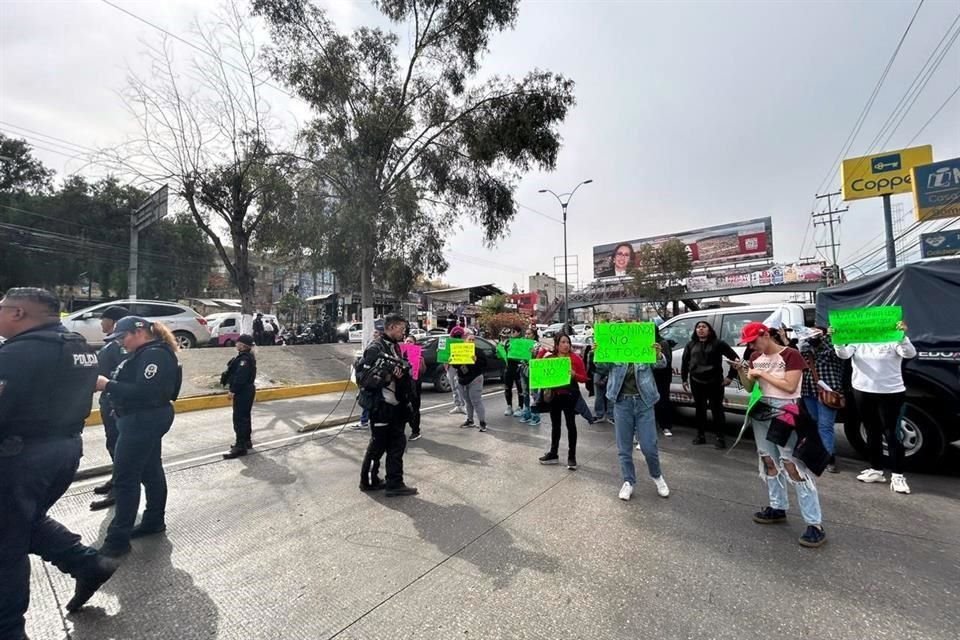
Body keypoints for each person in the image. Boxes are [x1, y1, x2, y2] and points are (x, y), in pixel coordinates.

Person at [0, 288, 119, 634]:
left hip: (21, 457)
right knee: (22, 520)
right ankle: (87, 564)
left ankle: (8, 628)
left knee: (6, 543)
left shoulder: (17, 353)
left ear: (18, 313)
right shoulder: (79, 346)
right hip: (64, 451)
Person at [95, 316, 182, 557]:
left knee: (125, 478)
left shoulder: (155, 355)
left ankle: (117, 539)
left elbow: (146, 391)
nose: (121, 343)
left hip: (143, 420)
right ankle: (154, 521)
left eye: (123, 337)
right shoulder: (146, 352)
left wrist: (107, 385)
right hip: (139, 418)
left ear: (140, 331)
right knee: (150, 470)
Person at [737, 321, 826, 549]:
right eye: (749, 344)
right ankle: (777, 506)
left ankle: (814, 523)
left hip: (787, 409)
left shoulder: (791, 355)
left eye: (754, 341)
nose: (753, 346)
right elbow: (749, 387)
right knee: (768, 459)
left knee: (792, 463)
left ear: (765, 334)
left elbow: (789, 386)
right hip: (763, 408)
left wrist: (763, 375)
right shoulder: (756, 358)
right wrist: (741, 370)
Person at [834, 319, 916, 494]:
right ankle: (876, 469)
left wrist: (902, 336)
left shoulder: (893, 339)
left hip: (891, 393)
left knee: (891, 433)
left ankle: (898, 475)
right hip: (863, 391)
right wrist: (838, 340)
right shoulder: (858, 340)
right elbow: (843, 355)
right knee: (872, 431)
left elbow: (909, 353)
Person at [601, 341, 670, 500]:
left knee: (649, 446)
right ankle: (628, 481)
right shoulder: (615, 351)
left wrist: (657, 353)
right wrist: (597, 353)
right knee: (624, 447)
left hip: (644, 402)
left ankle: (657, 476)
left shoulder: (643, 348)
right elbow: (601, 367)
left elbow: (661, 364)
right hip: (622, 403)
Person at [356, 315, 417, 496]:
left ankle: (393, 483)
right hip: (381, 407)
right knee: (378, 446)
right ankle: (368, 481)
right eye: (401, 328)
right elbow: (363, 379)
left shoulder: (395, 347)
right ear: (390, 327)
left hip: (396, 406)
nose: (403, 332)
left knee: (396, 445)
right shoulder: (375, 348)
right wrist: (387, 376)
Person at [89, 304, 130, 511]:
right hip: (108, 400)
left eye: (103, 319)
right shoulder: (112, 343)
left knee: (118, 446)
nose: (100, 323)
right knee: (112, 443)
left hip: (116, 402)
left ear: (113, 322)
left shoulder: (120, 345)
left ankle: (119, 490)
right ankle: (116, 479)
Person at [681, 320, 739, 449]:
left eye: (704, 327)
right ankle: (700, 435)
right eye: (698, 327)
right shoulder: (690, 345)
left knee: (716, 410)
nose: (701, 329)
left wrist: (730, 377)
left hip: (715, 382)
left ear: (709, 329)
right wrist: (684, 379)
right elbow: (685, 363)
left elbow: (735, 359)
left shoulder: (718, 344)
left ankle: (720, 437)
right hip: (696, 382)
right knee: (699, 410)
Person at [538, 333, 588, 470]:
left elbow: (584, 378)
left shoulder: (575, 359)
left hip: (570, 396)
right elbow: (538, 368)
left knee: (571, 425)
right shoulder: (551, 357)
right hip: (554, 396)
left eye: (568, 342)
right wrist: (543, 350)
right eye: (563, 342)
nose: (566, 345)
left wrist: (574, 375)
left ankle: (572, 457)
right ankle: (553, 453)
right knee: (555, 425)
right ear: (557, 344)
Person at [800, 330, 844, 473]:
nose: (812, 336)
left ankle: (828, 458)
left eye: (816, 333)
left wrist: (821, 341)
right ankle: (818, 454)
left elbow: (836, 354)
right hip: (808, 390)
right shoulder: (806, 347)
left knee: (825, 426)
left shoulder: (834, 345)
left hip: (828, 391)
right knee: (814, 424)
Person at [220, 334, 257, 459]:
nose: (236, 344)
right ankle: (246, 441)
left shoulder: (244, 360)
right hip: (247, 390)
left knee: (239, 418)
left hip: (243, 391)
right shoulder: (246, 357)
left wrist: (233, 391)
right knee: (245, 417)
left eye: (238, 343)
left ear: (242, 345)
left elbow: (240, 377)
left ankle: (240, 446)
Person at [457, 329, 488, 431]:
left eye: (473, 340)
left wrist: (476, 360)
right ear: (464, 341)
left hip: (475, 378)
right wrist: (451, 360)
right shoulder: (459, 350)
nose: (471, 342)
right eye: (469, 340)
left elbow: (485, 364)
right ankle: (470, 420)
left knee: (476, 401)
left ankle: (482, 422)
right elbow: (456, 365)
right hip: (462, 379)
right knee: (467, 401)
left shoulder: (478, 351)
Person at [653, 325, 674, 438]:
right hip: (649, 378)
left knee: (663, 402)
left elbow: (667, 362)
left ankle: (665, 426)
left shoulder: (663, 343)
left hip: (662, 378)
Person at [518, 327, 542, 426]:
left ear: (534, 335)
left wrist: (534, 353)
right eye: (526, 334)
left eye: (529, 334)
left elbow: (539, 357)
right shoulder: (523, 344)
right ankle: (526, 413)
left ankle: (536, 416)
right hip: (523, 370)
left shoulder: (537, 345)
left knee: (534, 393)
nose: (527, 336)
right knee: (525, 392)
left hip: (533, 371)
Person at [404, 335, 426, 441]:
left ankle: (415, 431)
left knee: (415, 408)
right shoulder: (401, 354)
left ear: (414, 343)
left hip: (415, 385)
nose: (408, 343)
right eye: (407, 341)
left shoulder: (418, 354)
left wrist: (420, 362)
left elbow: (423, 370)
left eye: (410, 341)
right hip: (404, 385)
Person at [502, 328, 525, 418]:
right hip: (509, 368)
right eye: (511, 332)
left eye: (514, 332)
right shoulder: (508, 342)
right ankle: (509, 406)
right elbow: (504, 352)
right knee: (507, 388)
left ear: (519, 332)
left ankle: (520, 406)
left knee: (520, 389)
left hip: (518, 368)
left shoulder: (522, 342)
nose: (512, 333)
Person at [446, 325, 467, 415]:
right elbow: (444, 355)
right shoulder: (448, 343)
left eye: (459, 336)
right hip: (451, 366)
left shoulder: (466, 343)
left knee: (461, 386)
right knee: (453, 386)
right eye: (455, 336)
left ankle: (464, 405)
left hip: (461, 366)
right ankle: (458, 405)